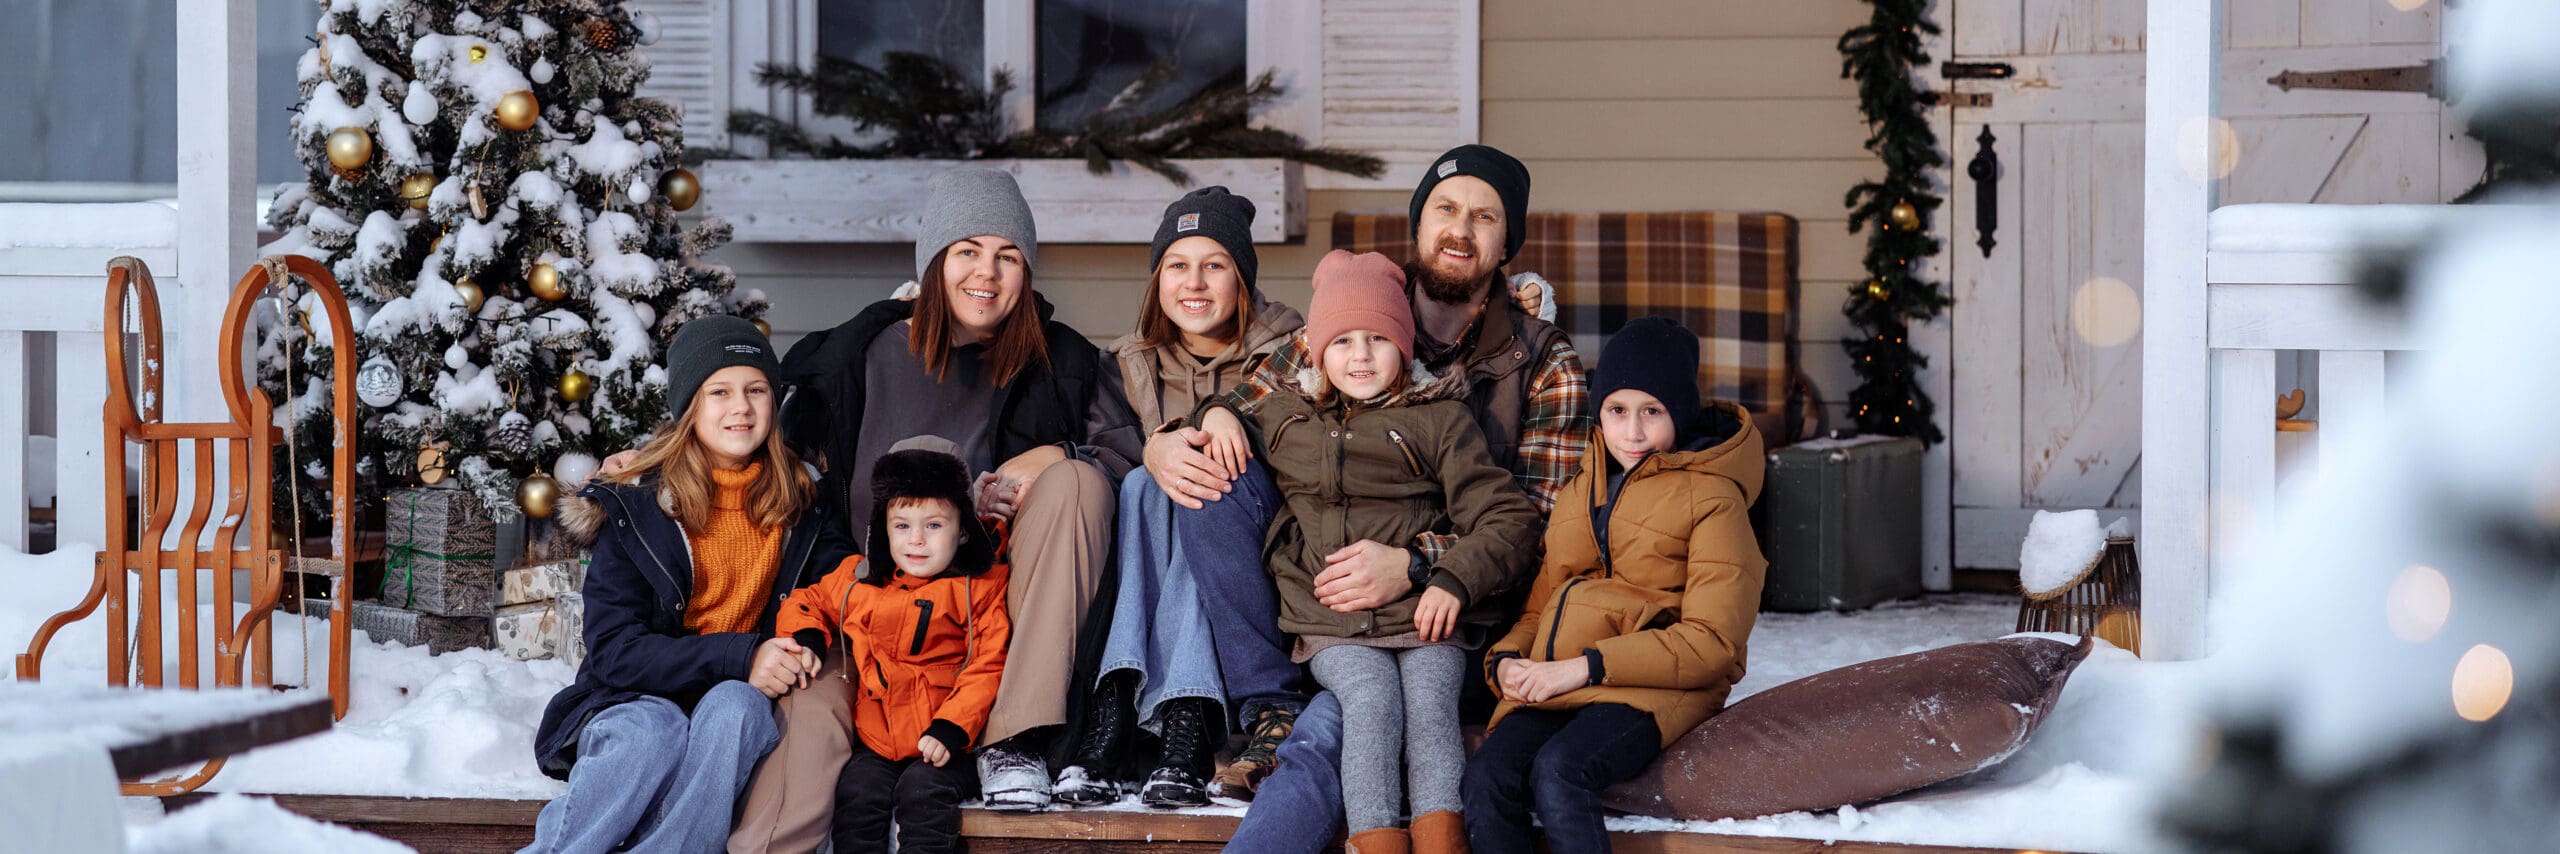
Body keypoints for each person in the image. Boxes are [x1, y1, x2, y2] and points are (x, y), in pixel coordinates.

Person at [725, 167, 1144, 839]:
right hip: (866, 623)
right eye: (968, 251)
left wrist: (1060, 457)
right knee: (806, 746)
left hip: (987, 632)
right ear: (934, 260)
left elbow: (1130, 458)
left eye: (1009, 256)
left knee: (1078, 483)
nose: (988, 272)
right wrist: (655, 460)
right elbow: (758, 445)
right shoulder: (860, 355)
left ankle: (1014, 738)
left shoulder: (1060, 362)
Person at [1198, 144, 1589, 852]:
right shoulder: (1359, 306)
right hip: (1331, 619)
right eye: (1444, 208)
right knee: (1202, 481)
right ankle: (1270, 705)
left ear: (1508, 243)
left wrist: (1416, 564)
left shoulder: (1541, 359)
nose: (1459, 228)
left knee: (1341, 734)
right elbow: (1247, 398)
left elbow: (1534, 520)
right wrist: (1197, 424)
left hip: (1452, 615)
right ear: (1418, 225)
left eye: (1484, 216)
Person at [526, 316, 853, 853]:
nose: (741, 407)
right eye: (718, 391)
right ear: (689, 407)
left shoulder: (803, 503)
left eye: (756, 390)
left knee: (735, 709)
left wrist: (798, 646)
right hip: (634, 694)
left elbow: (832, 587)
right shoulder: (637, 504)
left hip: (736, 696)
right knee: (650, 732)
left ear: (775, 402)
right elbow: (614, 652)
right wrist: (741, 654)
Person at [1461, 317, 1768, 854]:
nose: (1632, 432)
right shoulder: (1583, 487)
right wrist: (1506, 659)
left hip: (1657, 689)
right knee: (1486, 778)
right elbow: (1542, 606)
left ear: (1680, 411)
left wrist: (1583, 666)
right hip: (1564, 681)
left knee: (1560, 772)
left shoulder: (1715, 500)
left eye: (1653, 411)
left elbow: (1713, 643)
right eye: (1617, 410)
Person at [1054, 187, 1311, 808]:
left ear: (1242, 279)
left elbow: (1301, 449)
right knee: (1146, 482)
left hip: (1258, 557)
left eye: (1214, 265)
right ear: (1157, 279)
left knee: (1198, 484)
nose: (1194, 283)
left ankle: (1187, 714)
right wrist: (1151, 450)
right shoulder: (1126, 363)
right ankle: (1119, 705)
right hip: (1144, 560)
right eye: (1177, 265)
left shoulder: (1295, 350)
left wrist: (1189, 441)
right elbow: (1106, 456)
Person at [777, 445, 1012, 854]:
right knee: (858, 795)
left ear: (962, 529)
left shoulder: (978, 588)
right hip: (878, 738)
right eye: (902, 526)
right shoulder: (860, 580)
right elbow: (807, 599)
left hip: (946, 739)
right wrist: (808, 636)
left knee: (924, 796)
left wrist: (952, 727)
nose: (916, 540)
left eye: (934, 525)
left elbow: (989, 662)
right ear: (882, 528)